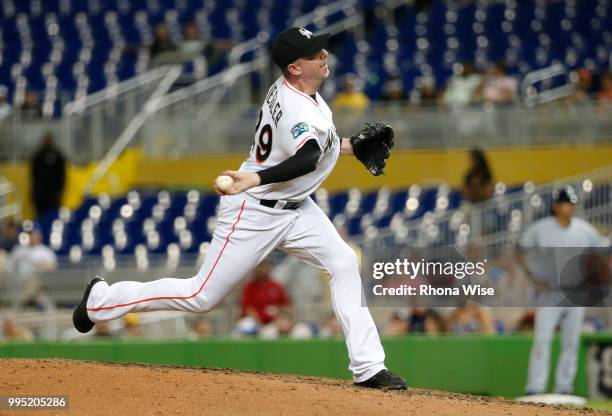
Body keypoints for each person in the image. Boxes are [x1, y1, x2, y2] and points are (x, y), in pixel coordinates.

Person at [74, 26, 405, 390]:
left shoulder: (300, 92)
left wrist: (350, 146)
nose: (324, 55)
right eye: (315, 54)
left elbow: (314, 145)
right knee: (200, 296)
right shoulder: (297, 106)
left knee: (343, 262)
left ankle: (368, 367)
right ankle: (100, 300)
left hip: (294, 207)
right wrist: (256, 180)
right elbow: (308, 156)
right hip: (256, 209)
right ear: (295, 67)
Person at [520, 185, 607, 395]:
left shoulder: (584, 229)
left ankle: (564, 388)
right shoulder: (540, 228)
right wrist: (532, 277)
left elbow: (602, 250)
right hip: (550, 291)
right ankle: (535, 387)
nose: (571, 207)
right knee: (542, 340)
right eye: (567, 203)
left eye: (572, 203)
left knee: (571, 342)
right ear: (557, 206)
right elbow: (522, 251)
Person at [240, 260, 290, 325]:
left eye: (265, 267)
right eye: (260, 267)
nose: (263, 270)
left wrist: (279, 313)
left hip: (274, 322)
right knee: (247, 324)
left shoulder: (276, 286)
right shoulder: (250, 287)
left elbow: (286, 306)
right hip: (256, 322)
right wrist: (260, 323)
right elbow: (248, 309)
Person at [30, 132, 66, 218]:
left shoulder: (57, 156)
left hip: (53, 194)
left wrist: (60, 190)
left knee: (53, 216)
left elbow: (62, 174)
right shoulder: (38, 155)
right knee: (40, 217)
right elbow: (33, 174)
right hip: (40, 194)